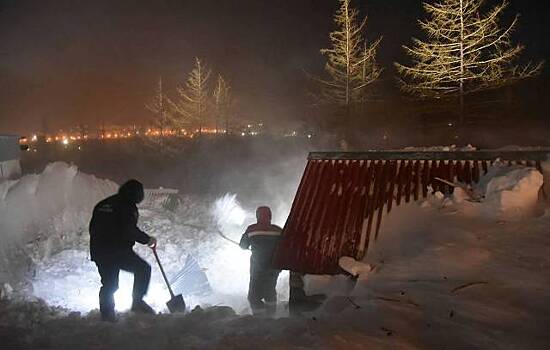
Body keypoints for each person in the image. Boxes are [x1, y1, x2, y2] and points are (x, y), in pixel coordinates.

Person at [89, 179, 157, 322]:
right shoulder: (126, 206)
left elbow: (92, 228)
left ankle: (107, 316)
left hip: (100, 251)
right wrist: (148, 240)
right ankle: (137, 302)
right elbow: (129, 230)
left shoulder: (104, 204)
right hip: (117, 251)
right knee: (143, 269)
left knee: (109, 284)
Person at [239, 206, 282, 315]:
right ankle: (271, 317)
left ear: (257, 216)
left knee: (253, 296)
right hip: (274, 267)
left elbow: (243, 245)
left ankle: (260, 319)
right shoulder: (278, 230)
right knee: (270, 292)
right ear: (270, 216)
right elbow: (284, 247)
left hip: (257, 268)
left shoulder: (252, 229)